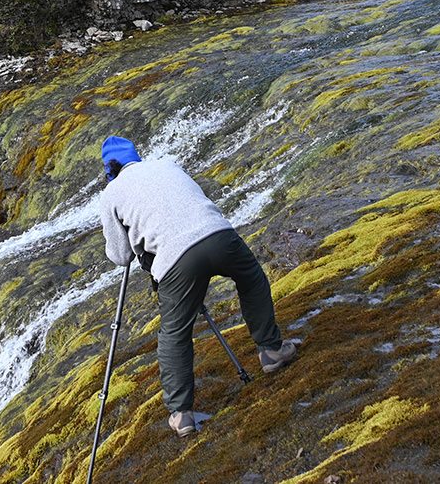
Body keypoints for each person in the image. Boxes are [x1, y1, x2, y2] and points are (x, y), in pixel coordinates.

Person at [96, 135, 298, 436]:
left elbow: (120, 256)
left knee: (175, 332)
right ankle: (271, 350)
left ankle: (182, 415)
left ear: (109, 171)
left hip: (175, 260)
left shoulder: (111, 194)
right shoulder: (166, 164)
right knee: (251, 279)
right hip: (218, 234)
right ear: (136, 157)